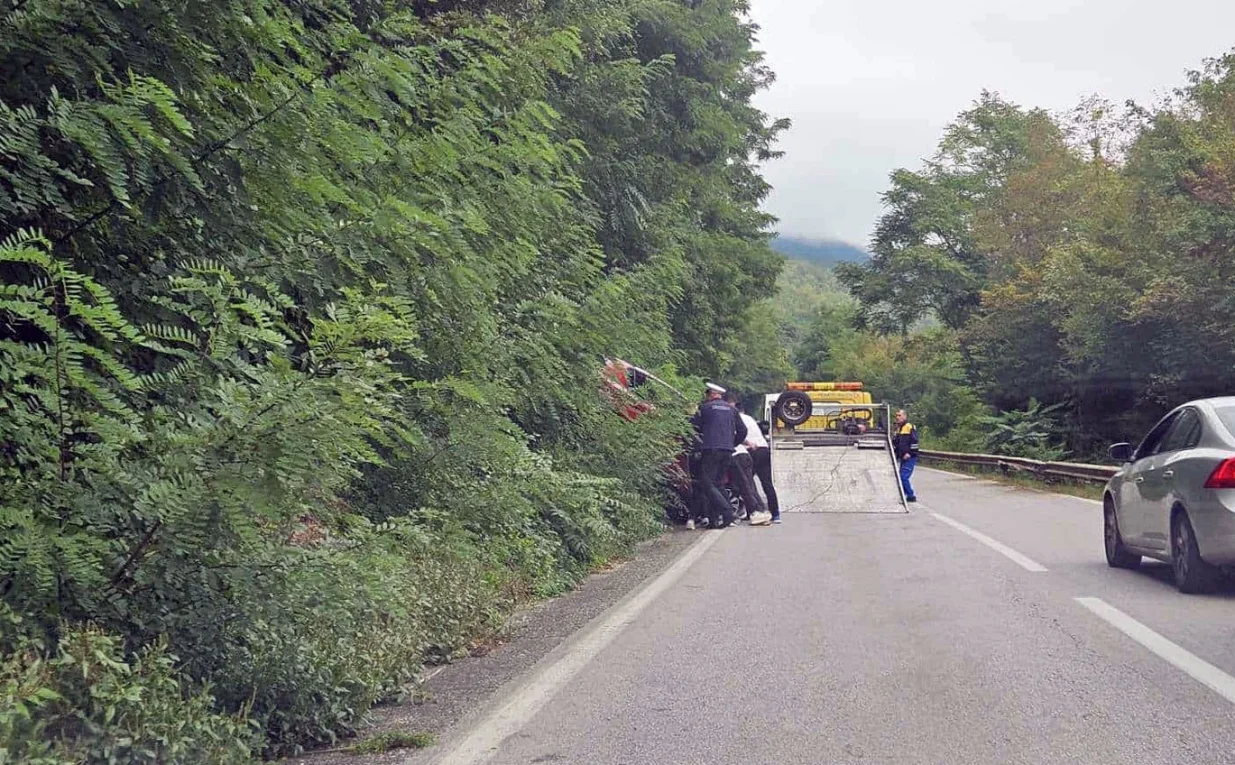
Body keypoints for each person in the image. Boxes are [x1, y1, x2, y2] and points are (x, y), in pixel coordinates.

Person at [690, 383, 746, 529]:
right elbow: (742, 430)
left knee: (707, 483)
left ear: (710, 394)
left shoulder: (705, 408)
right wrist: (732, 443)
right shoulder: (732, 410)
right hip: (727, 450)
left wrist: (697, 445)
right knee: (718, 484)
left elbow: (692, 428)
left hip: (710, 450)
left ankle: (727, 512)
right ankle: (715, 520)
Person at [724, 392, 774, 526]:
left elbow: (737, 433)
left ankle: (756, 512)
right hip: (754, 451)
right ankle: (765, 512)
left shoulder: (729, 417)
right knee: (753, 485)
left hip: (738, 454)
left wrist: (739, 443)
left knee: (745, 486)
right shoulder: (748, 418)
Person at [893, 409, 919, 503]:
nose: (897, 417)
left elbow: (915, 442)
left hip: (910, 457)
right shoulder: (899, 428)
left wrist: (910, 453)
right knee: (900, 477)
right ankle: (903, 495)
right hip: (902, 457)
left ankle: (911, 495)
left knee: (903, 477)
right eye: (897, 415)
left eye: (899, 415)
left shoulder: (909, 427)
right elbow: (897, 443)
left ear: (905, 416)